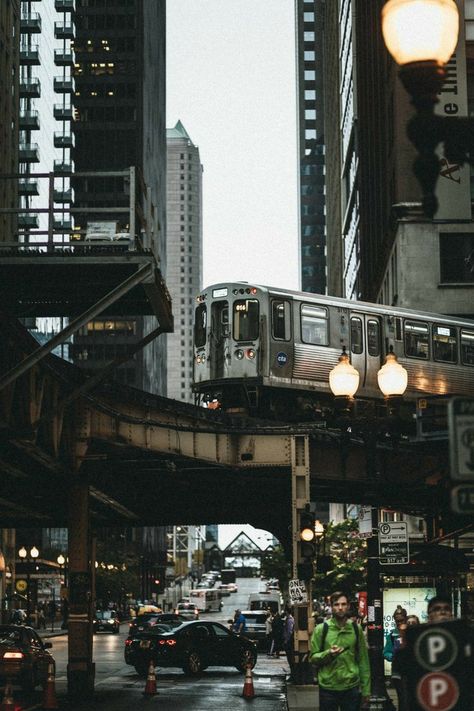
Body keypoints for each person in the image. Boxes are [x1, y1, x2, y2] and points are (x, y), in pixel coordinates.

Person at [309, 591, 370, 711]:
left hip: (351, 687)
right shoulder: (321, 629)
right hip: (328, 688)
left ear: (348, 606)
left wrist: (366, 691)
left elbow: (363, 660)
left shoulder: (356, 629)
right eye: (336, 604)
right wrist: (328, 653)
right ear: (331, 607)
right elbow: (313, 658)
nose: (340, 608)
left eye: (343, 604)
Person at [283, 607, 296, 683]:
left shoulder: (290, 620)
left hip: (289, 643)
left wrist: (287, 641)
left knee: (291, 659)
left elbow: (290, 632)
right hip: (288, 641)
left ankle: (293, 675)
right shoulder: (288, 619)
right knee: (290, 659)